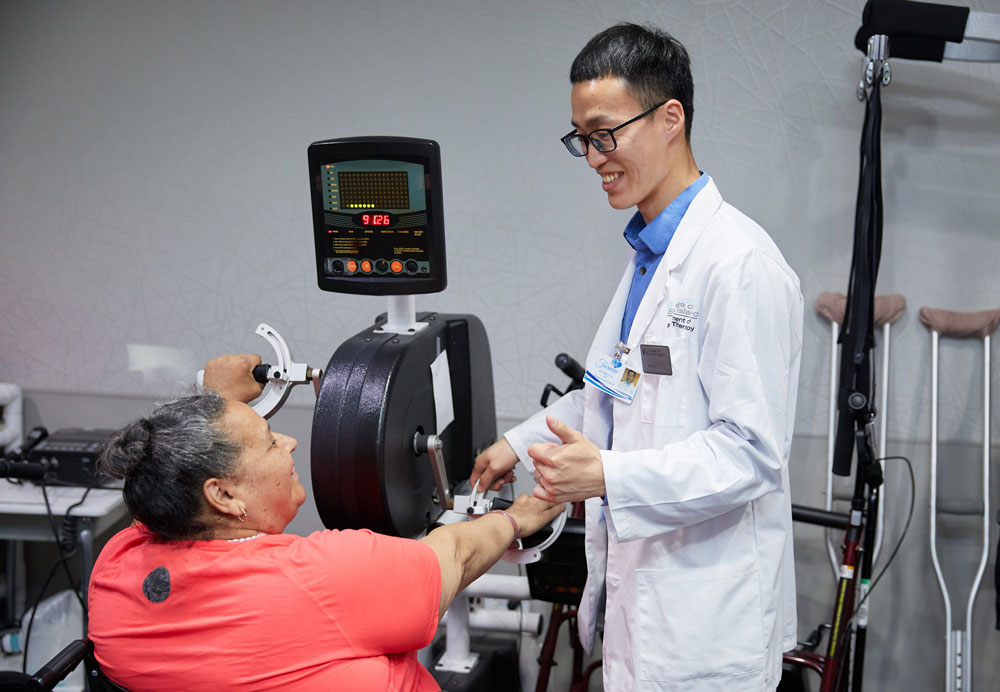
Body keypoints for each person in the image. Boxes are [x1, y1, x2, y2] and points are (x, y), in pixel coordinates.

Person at [471, 23, 803, 692]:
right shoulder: (650, 260)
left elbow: (751, 451)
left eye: (604, 133)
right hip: (644, 609)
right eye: (582, 139)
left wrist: (608, 478)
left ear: (670, 118)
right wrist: (518, 441)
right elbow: (619, 389)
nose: (594, 157)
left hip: (706, 626)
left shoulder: (738, 265)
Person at [87, 353, 564, 692]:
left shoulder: (118, 564)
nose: (290, 443)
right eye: (271, 441)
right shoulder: (320, 576)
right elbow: (454, 554)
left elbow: (162, 473)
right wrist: (516, 518)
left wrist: (215, 401)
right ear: (223, 493)